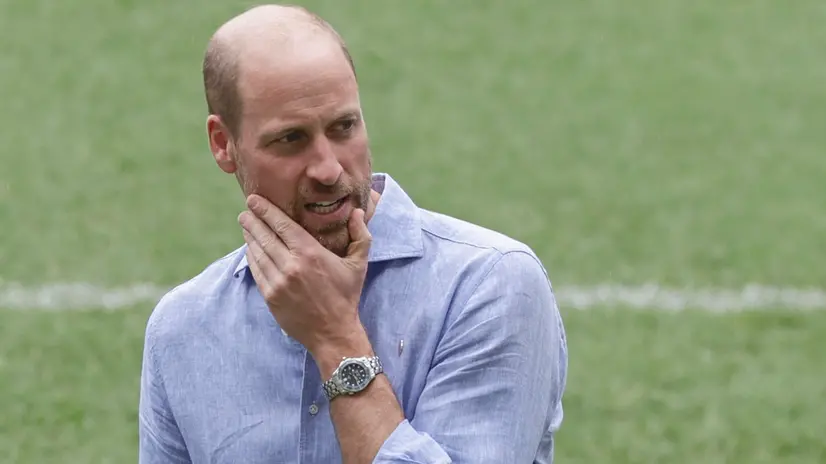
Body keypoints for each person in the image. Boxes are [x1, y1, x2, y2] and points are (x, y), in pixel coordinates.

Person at [138, 4, 568, 463]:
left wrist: (335, 337)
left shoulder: (489, 287)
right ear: (224, 145)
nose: (328, 168)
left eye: (344, 127)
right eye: (291, 139)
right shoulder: (182, 329)